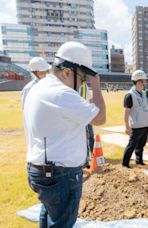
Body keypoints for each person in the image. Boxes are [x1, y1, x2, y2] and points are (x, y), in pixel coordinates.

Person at [23, 41, 106, 227]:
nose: (83, 83)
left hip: (43, 170)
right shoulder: (61, 94)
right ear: (68, 71)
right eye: (83, 78)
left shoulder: (39, 87)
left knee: (48, 218)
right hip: (60, 175)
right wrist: (97, 88)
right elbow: (100, 118)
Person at [123, 70, 148, 168]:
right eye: (144, 81)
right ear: (139, 81)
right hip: (136, 126)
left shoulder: (144, 94)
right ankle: (125, 163)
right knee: (131, 145)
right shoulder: (129, 95)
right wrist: (127, 127)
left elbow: (147, 109)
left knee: (141, 145)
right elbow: (126, 113)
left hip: (144, 125)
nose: (146, 83)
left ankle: (139, 161)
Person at [79, 82, 95, 165]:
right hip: (79, 117)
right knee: (83, 138)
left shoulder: (84, 86)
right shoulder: (70, 85)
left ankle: (91, 155)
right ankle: (85, 160)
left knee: (91, 136)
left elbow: (90, 99)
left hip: (87, 115)